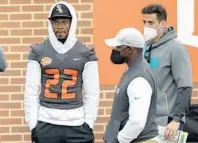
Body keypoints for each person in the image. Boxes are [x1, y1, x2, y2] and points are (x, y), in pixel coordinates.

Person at [24, 1, 100, 143]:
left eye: (64, 22)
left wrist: (89, 123)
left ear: (72, 23)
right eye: (56, 22)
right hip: (46, 123)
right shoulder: (38, 51)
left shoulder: (86, 53)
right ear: (50, 24)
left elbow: (92, 93)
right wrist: (33, 125)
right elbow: (31, 90)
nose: (59, 27)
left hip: (77, 124)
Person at [141, 4, 193, 140]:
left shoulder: (176, 48)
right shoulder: (145, 47)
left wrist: (176, 120)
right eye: (144, 22)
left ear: (162, 24)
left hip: (168, 122)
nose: (146, 26)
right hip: (146, 120)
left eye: (151, 23)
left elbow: (185, 86)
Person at [103, 27, 158, 143]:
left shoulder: (139, 79)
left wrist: (120, 140)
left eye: (118, 47)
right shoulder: (134, 70)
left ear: (129, 50)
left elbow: (137, 122)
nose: (115, 50)